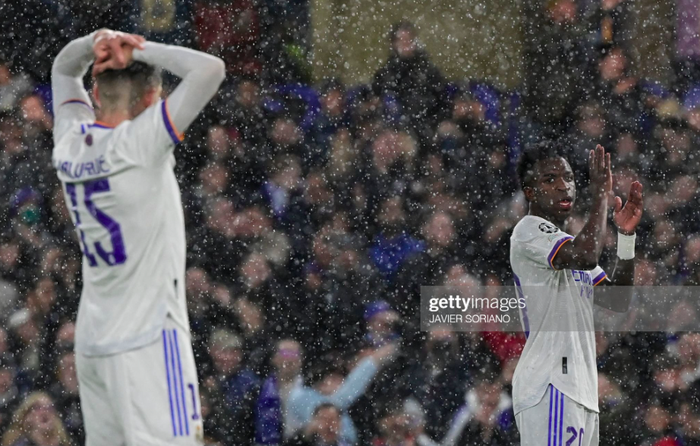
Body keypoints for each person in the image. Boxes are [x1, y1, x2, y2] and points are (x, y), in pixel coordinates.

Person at [50, 29, 225, 445]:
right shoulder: (142, 142)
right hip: (148, 340)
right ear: (151, 100)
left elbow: (62, 69)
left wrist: (97, 41)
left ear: (95, 93)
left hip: (94, 341)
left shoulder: (69, 144)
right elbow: (211, 69)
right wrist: (141, 47)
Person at [510, 142, 643, 445]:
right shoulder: (528, 230)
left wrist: (626, 237)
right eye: (550, 179)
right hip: (551, 381)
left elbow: (617, 300)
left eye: (568, 178)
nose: (563, 186)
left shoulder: (567, 244)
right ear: (530, 192)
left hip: (580, 389)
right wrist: (601, 195)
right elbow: (586, 257)